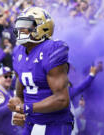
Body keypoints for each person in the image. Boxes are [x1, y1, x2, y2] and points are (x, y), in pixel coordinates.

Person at [8, 7, 73, 135]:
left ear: (43, 28)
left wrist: (27, 108)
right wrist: (18, 109)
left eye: (26, 26)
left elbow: (62, 99)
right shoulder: (18, 52)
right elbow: (20, 95)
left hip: (55, 123)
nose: (21, 30)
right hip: (31, 122)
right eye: (19, 26)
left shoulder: (52, 50)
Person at [0, 66, 20, 135]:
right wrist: (14, 103)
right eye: (6, 76)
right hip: (2, 132)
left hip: (12, 129)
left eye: (10, 76)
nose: (9, 78)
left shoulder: (8, 90)